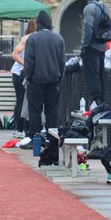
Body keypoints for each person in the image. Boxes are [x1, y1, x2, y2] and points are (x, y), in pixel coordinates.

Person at [22, 10, 65, 140]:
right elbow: (62, 61)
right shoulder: (58, 38)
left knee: (35, 110)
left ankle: (35, 137)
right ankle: (52, 138)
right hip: (53, 80)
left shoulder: (33, 38)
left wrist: (29, 76)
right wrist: (59, 78)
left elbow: (29, 61)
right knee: (52, 110)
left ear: (38, 23)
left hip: (36, 80)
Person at [79, 0, 110, 104]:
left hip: (91, 47)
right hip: (102, 45)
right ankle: (102, 100)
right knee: (101, 75)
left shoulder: (89, 8)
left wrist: (84, 47)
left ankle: (97, 101)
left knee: (92, 76)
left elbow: (88, 28)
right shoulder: (104, 7)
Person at [9, 15, 38, 134]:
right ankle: (19, 128)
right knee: (21, 100)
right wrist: (25, 64)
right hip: (19, 73)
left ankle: (23, 127)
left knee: (24, 101)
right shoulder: (27, 38)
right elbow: (14, 54)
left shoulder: (34, 37)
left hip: (25, 72)